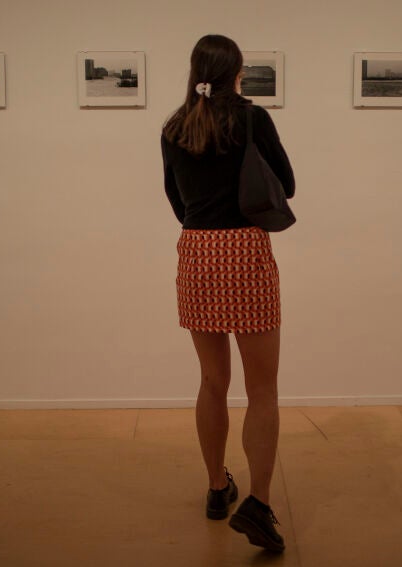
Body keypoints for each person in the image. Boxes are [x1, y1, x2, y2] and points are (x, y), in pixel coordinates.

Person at [160, 34, 295, 553]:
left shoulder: (174, 126)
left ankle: (218, 488)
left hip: (197, 253)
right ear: (235, 72)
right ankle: (258, 503)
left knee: (212, 381)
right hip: (245, 251)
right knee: (263, 390)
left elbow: (176, 199)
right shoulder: (251, 119)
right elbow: (286, 183)